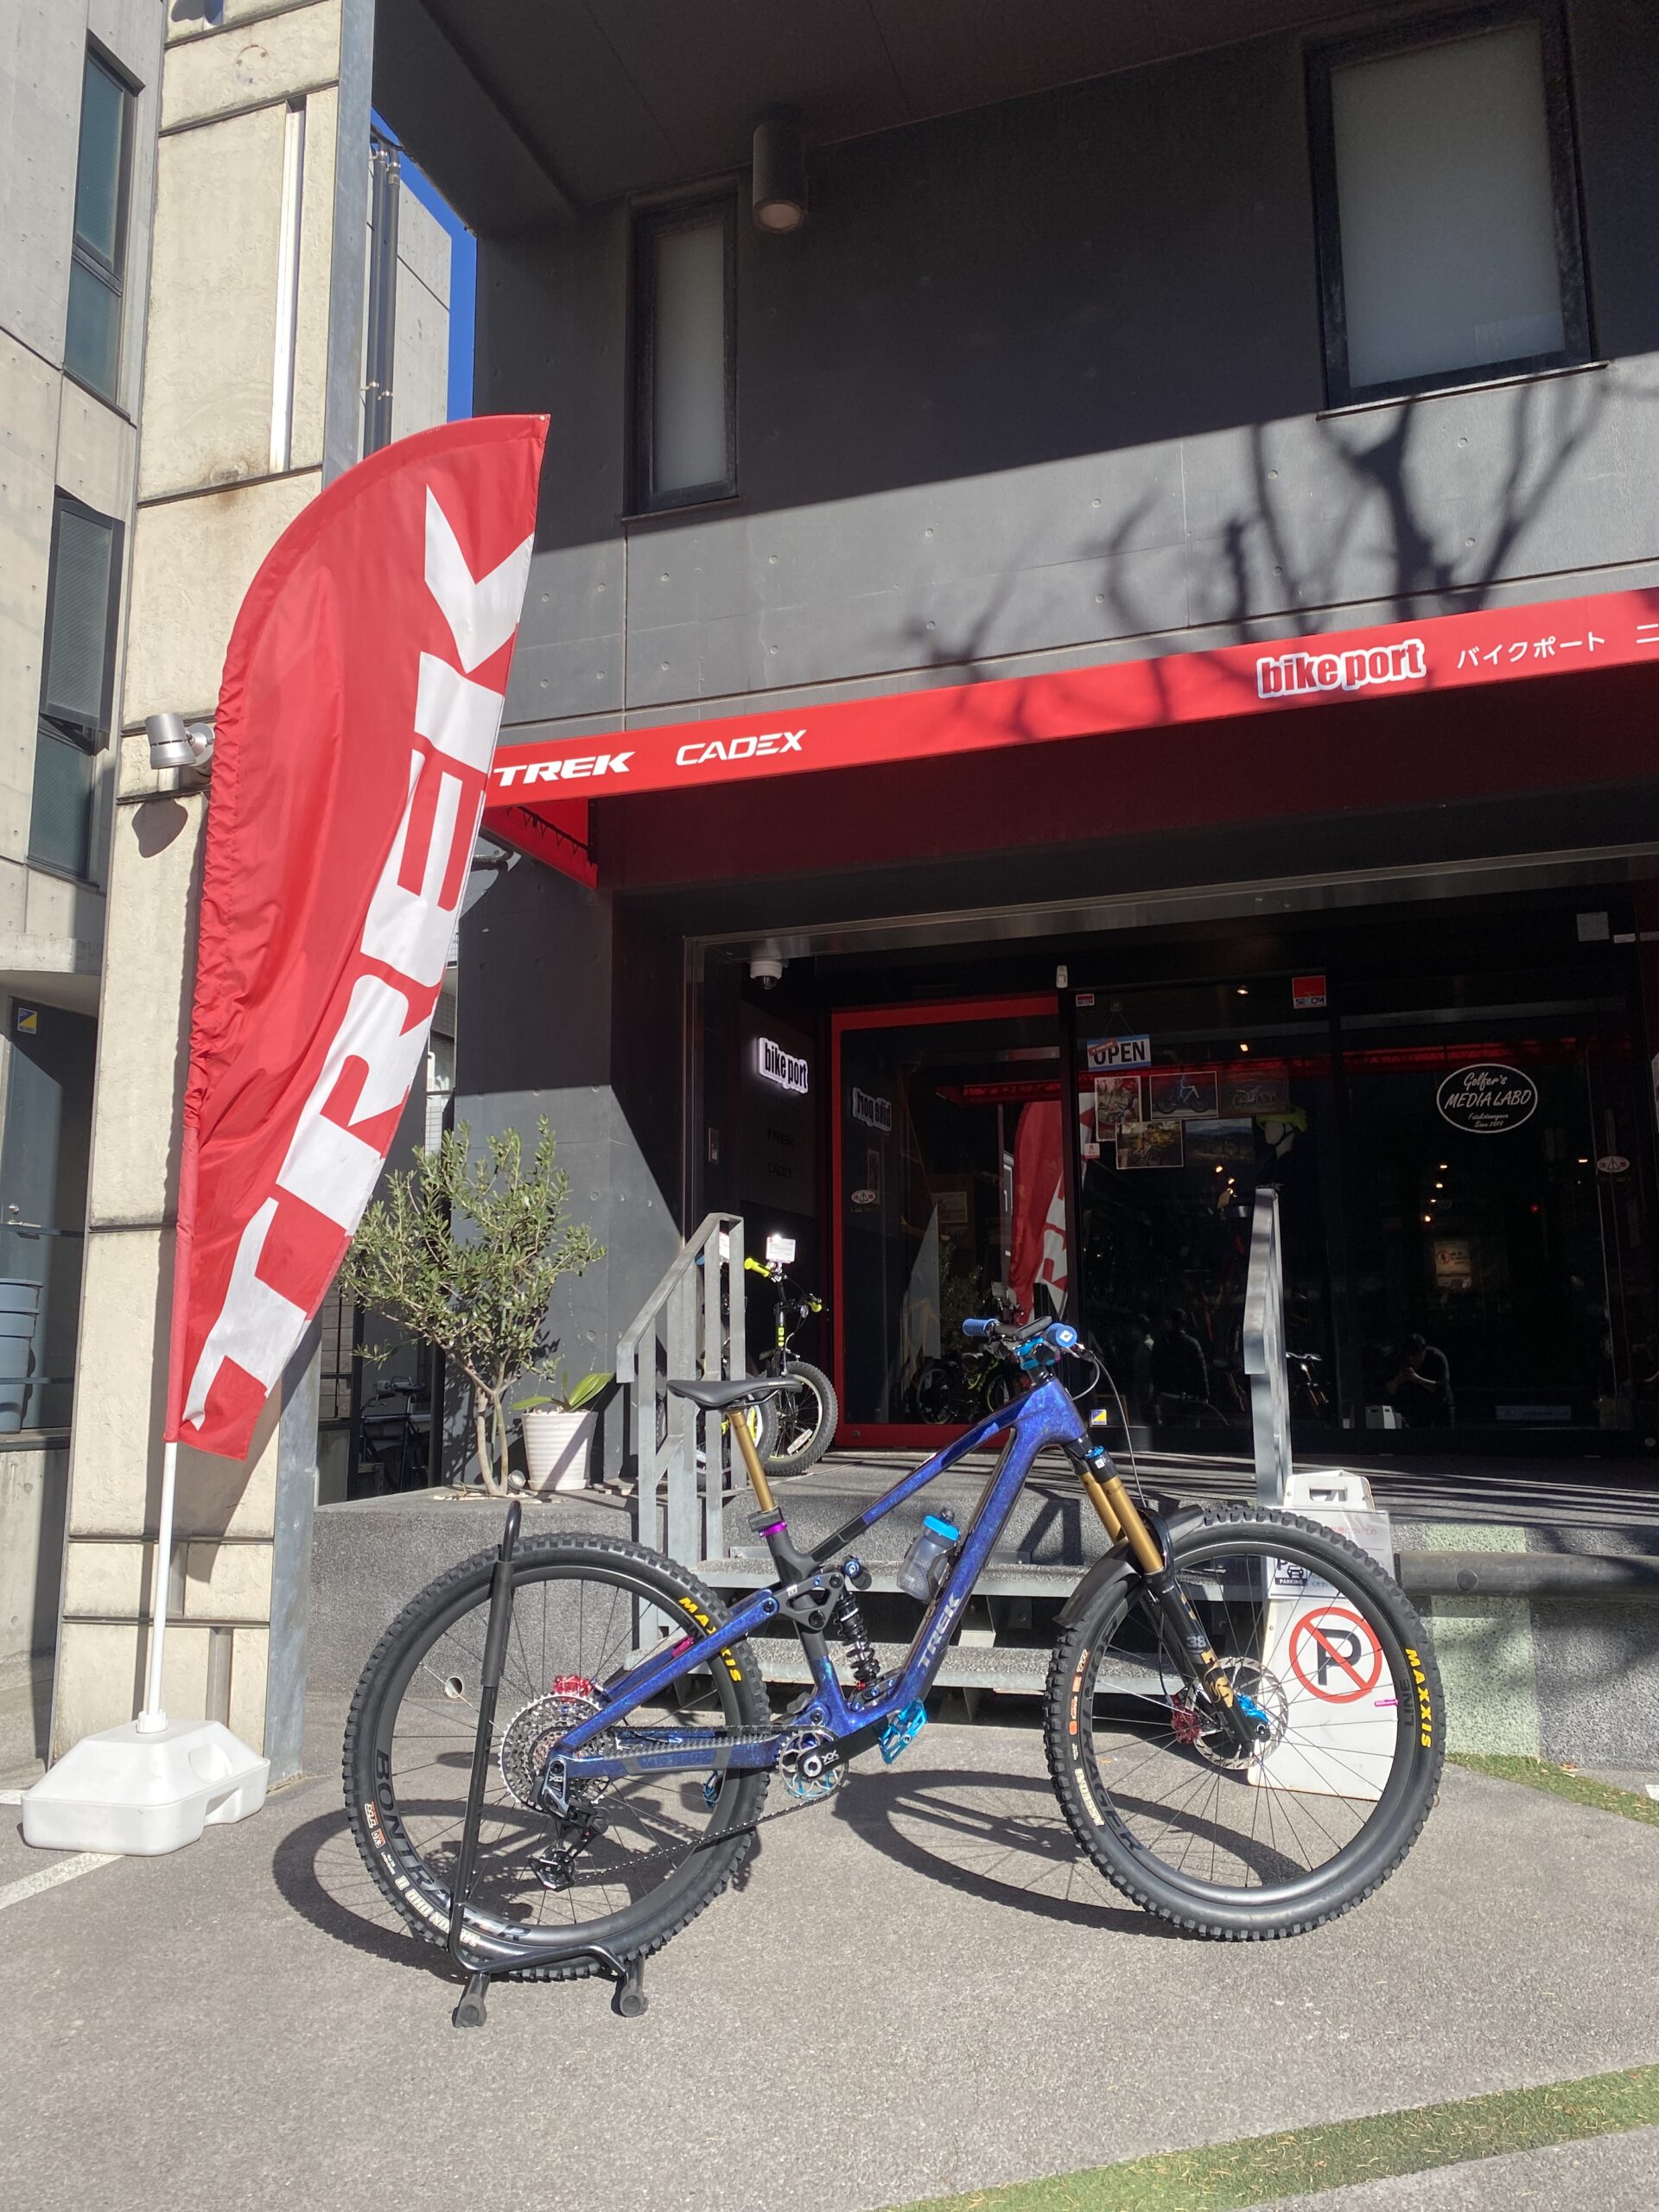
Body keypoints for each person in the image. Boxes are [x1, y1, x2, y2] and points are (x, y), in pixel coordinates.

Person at [1389, 1332, 1453, 1427]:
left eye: (1415, 1356)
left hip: (1441, 1405)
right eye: (1409, 1356)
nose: (1412, 1360)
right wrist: (1398, 1381)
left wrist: (1417, 1379)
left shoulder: (1437, 1357)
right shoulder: (1403, 1359)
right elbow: (1391, 1389)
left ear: (1423, 1352)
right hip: (1419, 1406)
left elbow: (1440, 1388)